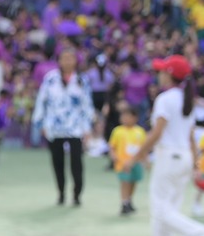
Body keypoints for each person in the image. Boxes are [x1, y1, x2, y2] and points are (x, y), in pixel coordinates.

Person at [132, 55, 204, 236]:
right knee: (167, 210)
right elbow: (190, 136)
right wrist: (196, 163)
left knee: (160, 209)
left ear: (169, 75)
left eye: (162, 71)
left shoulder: (165, 99)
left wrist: (138, 155)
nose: (159, 75)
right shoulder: (187, 100)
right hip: (184, 157)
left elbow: (157, 132)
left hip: (169, 157)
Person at [35, 46, 96, 207]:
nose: (68, 61)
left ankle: (77, 194)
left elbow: (86, 105)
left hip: (75, 127)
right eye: (64, 58)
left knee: (76, 162)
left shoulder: (81, 80)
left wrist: (87, 128)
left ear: (76, 61)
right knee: (57, 162)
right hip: (54, 126)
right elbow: (42, 100)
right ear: (59, 61)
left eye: (71, 58)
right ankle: (61, 193)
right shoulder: (50, 79)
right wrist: (40, 122)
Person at [108, 101, 145, 217]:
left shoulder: (140, 131)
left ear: (135, 118)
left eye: (128, 116)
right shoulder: (118, 131)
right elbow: (112, 146)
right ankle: (124, 203)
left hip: (136, 163)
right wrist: (113, 156)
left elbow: (143, 147)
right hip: (122, 163)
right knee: (125, 182)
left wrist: (146, 160)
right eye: (123, 116)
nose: (124, 119)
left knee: (133, 181)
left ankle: (129, 200)